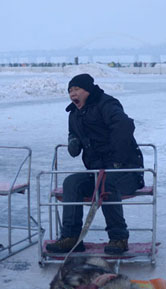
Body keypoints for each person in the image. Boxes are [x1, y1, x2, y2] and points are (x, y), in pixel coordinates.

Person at [46, 73, 144, 255]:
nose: (72, 94)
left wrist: (117, 159)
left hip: (127, 170)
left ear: (88, 90)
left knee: (108, 183)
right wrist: (73, 140)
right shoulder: (74, 113)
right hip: (97, 172)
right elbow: (73, 134)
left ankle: (119, 238)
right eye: (70, 91)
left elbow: (124, 126)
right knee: (71, 183)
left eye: (76, 89)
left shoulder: (106, 104)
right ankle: (71, 237)